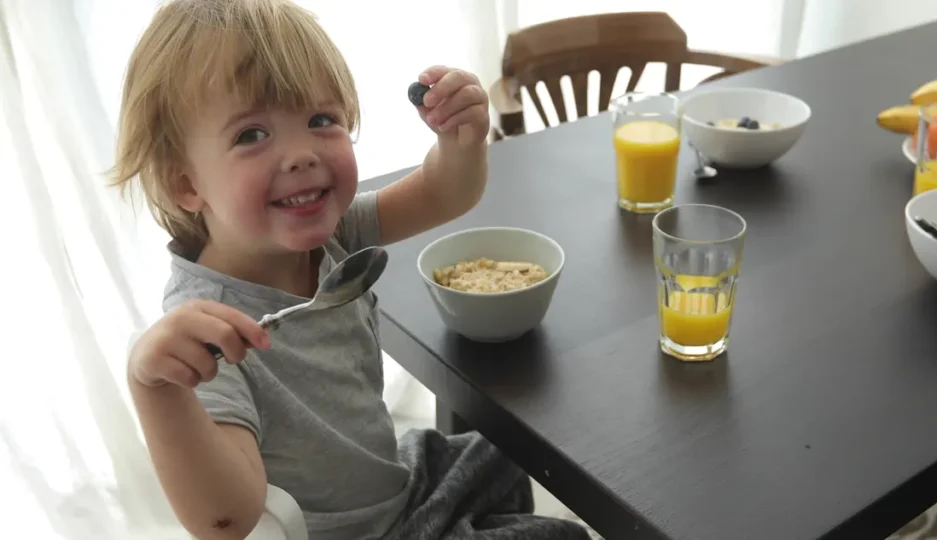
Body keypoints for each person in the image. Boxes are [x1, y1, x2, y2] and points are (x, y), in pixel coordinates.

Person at [111, 1, 592, 539]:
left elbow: (442, 193)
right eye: (251, 135)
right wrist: (156, 391)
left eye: (321, 120)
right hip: (361, 533)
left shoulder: (329, 236)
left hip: (396, 485)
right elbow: (226, 520)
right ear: (186, 184)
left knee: (515, 447)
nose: (301, 154)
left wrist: (460, 141)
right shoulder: (211, 334)